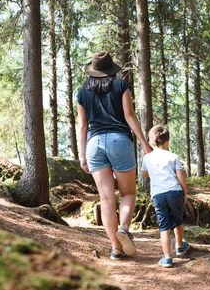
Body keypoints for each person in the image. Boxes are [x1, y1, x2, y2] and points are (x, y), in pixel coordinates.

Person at [77, 51, 152, 261]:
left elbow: (83, 126)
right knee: (128, 193)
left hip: (94, 144)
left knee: (106, 199)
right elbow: (129, 116)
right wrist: (145, 145)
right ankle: (124, 228)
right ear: (111, 69)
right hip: (119, 141)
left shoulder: (82, 93)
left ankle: (116, 249)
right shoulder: (120, 86)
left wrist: (82, 155)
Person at [141, 124, 190, 268]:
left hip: (158, 195)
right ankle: (180, 246)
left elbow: (144, 173)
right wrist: (184, 193)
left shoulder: (147, 158)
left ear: (151, 142)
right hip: (175, 192)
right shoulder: (173, 156)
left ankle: (167, 257)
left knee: (164, 226)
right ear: (167, 141)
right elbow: (180, 175)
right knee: (178, 220)